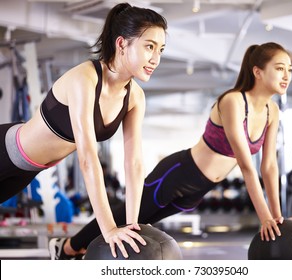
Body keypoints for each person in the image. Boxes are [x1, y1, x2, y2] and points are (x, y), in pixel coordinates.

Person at [50, 42, 292, 260]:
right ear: (258, 72)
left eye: (289, 70)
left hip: (199, 190)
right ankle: (68, 247)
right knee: (127, 218)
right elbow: (246, 165)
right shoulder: (234, 102)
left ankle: (79, 250)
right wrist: (265, 218)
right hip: (178, 175)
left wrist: (277, 215)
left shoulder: (273, 111)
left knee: (139, 224)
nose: (287, 76)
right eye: (280, 68)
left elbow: (269, 165)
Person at [0, 2, 167, 259]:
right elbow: (87, 159)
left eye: (161, 50)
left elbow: (133, 163)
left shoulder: (135, 97)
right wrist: (109, 229)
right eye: (149, 47)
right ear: (122, 44)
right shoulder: (85, 78)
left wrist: (133, 224)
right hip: (6, 151)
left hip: (27, 170)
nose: (156, 59)